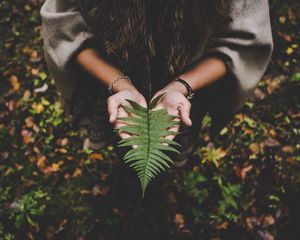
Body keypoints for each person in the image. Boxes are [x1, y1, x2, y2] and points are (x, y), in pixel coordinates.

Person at [40, 0, 273, 167]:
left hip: (189, 80)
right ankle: (130, 169)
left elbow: (242, 41)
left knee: (171, 143)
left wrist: (180, 86)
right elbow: (64, 29)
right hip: (108, 72)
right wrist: (122, 85)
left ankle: (156, 172)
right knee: (121, 136)